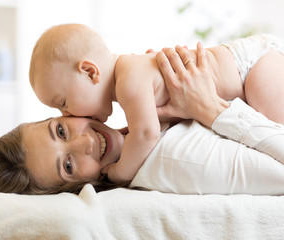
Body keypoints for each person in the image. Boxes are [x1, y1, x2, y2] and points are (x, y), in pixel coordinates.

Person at [0, 45, 284, 195]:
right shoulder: (171, 160)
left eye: (61, 127)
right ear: (75, 188)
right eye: (68, 166)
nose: (84, 142)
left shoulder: (133, 103)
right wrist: (210, 108)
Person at [29, 23, 284, 184]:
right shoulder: (130, 77)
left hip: (254, 66)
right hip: (247, 70)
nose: (67, 114)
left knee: (274, 124)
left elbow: (146, 134)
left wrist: (121, 172)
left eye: (63, 103)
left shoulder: (128, 81)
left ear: (89, 72)